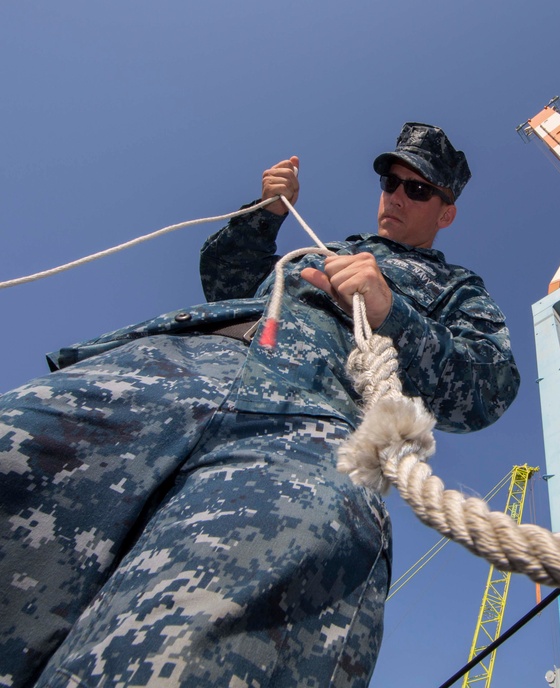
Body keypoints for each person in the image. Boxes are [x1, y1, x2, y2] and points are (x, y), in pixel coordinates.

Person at [0, 123, 520, 687]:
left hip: (308, 426)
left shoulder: (457, 287)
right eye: (390, 181)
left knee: (221, 621)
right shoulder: (324, 251)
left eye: (417, 190)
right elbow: (224, 276)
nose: (396, 195)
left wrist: (392, 308)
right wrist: (265, 213)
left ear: (446, 213)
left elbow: (488, 388)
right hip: (171, 370)